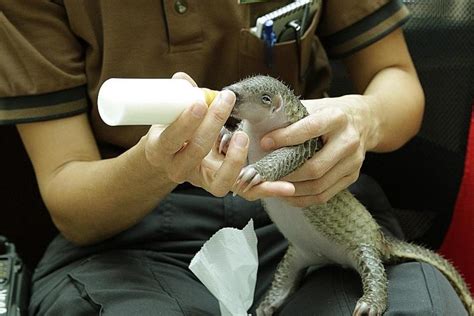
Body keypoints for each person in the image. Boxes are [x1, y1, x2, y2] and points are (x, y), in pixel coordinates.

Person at [0, 0, 467, 315]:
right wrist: (154, 165)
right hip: (131, 235)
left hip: (317, 210)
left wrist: (366, 116)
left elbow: (396, 79)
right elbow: (70, 201)